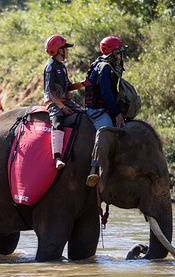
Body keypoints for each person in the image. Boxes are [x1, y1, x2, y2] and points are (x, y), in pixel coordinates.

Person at [85, 36, 127, 187]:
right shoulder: (105, 68)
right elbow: (106, 93)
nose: (119, 56)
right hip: (97, 111)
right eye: (117, 53)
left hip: (104, 107)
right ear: (110, 53)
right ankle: (94, 169)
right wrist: (117, 114)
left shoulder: (103, 64)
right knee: (107, 131)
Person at [43, 34, 85, 170]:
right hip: (53, 102)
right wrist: (61, 107)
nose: (67, 51)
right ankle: (57, 158)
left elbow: (68, 86)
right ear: (59, 50)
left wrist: (82, 84)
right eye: (65, 49)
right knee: (58, 122)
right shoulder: (50, 67)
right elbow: (49, 90)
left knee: (84, 114)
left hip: (66, 100)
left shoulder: (62, 66)